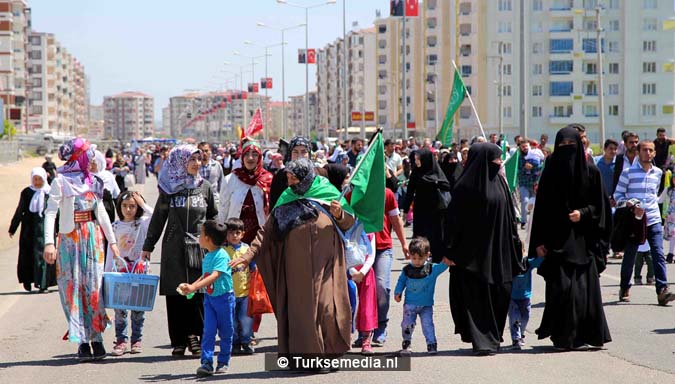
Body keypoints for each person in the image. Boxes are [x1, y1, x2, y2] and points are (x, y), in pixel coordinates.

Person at [229, 158, 354, 364]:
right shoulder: (286, 197)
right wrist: (248, 255)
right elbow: (266, 232)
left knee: (326, 307)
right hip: (296, 269)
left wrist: (339, 213)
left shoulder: (326, 190)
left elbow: (349, 222)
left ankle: (329, 353)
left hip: (327, 265)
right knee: (302, 312)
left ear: (305, 176)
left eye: (293, 177)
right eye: (287, 176)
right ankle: (308, 358)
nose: (289, 181)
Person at [529, 126, 612, 350]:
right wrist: (538, 242)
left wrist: (582, 214)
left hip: (584, 243)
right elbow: (541, 211)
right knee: (561, 291)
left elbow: (600, 208)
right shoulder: (550, 173)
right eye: (562, 146)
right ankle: (563, 337)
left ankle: (586, 335)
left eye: (571, 146)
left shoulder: (591, 173)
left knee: (585, 294)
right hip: (556, 243)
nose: (567, 150)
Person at [43, 138, 120, 361]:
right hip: (69, 239)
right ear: (78, 157)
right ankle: (83, 342)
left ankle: (97, 338)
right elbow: (50, 213)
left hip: (93, 239)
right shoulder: (61, 182)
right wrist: (49, 243)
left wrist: (112, 242)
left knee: (94, 288)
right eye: (88, 153)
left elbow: (102, 214)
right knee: (72, 289)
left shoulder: (93, 181)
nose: (92, 157)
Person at [445, 143, 525, 355]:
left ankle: (494, 336)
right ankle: (482, 341)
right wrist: (450, 251)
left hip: (499, 251)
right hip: (471, 256)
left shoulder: (499, 181)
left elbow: (509, 214)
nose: (499, 163)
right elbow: (453, 222)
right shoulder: (463, 188)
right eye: (496, 159)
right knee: (476, 296)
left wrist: (515, 241)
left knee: (501, 292)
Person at [142, 145, 218, 357]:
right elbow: (158, 219)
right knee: (175, 295)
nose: (196, 163)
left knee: (197, 292)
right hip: (174, 248)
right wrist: (148, 246)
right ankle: (178, 341)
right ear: (179, 162)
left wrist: (217, 245)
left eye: (198, 159)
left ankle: (195, 336)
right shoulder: (169, 189)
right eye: (191, 159)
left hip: (199, 248)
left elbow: (212, 217)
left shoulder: (205, 187)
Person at [614, 140, 675, 305]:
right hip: (635, 221)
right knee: (630, 256)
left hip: (653, 220)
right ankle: (625, 286)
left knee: (658, 253)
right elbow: (618, 196)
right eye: (644, 150)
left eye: (651, 150)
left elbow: (654, 195)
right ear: (638, 152)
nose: (648, 153)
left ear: (654, 153)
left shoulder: (658, 173)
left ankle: (662, 290)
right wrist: (632, 204)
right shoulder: (628, 172)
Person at [179, 221, 234, 377]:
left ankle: (223, 362)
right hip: (210, 299)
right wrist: (191, 286)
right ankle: (207, 363)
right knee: (208, 331)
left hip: (224, 299)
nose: (199, 237)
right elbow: (205, 276)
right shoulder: (208, 255)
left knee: (226, 332)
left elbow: (216, 275)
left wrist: (194, 288)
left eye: (201, 234)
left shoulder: (222, 255)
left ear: (208, 238)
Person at [105, 191, 154, 356]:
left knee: (138, 308)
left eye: (133, 206)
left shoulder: (143, 223)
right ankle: (120, 340)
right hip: (120, 272)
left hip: (139, 271)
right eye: (125, 206)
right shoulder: (115, 226)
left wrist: (142, 204)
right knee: (120, 310)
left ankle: (136, 340)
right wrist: (107, 273)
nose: (128, 209)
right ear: (119, 206)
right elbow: (110, 251)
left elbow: (156, 216)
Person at [394, 237, 449, 355]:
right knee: (407, 325)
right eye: (414, 258)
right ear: (409, 255)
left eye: (420, 258)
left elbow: (443, 265)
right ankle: (407, 341)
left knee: (428, 325)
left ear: (427, 255)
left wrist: (448, 260)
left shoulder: (431, 269)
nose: (417, 261)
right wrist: (397, 292)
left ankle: (431, 344)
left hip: (426, 305)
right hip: (410, 305)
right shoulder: (407, 270)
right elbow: (401, 281)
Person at [9, 167, 56, 292]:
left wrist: (58, 229)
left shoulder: (50, 192)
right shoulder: (26, 192)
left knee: (43, 256)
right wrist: (13, 228)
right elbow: (20, 210)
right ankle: (27, 280)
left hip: (45, 228)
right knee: (27, 255)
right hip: (28, 229)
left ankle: (43, 283)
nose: (37, 182)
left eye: (39, 179)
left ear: (44, 179)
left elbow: (56, 212)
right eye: (34, 179)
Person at [401, 148, 450, 263]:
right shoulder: (416, 173)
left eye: (419, 159)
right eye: (416, 159)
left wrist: (434, 182)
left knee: (436, 236)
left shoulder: (436, 171)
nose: (416, 161)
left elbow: (447, 186)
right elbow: (409, 192)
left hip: (436, 211)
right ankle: (420, 259)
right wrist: (405, 210)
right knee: (420, 236)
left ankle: (436, 258)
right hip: (421, 210)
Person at [224, 218, 256, 355]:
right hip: (229, 292)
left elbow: (253, 268)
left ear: (243, 234)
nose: (234, 236)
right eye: (231, 233)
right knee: (232, 320)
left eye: (237, 233)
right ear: (226, 234)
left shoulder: (246, 249)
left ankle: (246, 340)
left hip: (245, 291)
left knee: (246, 319)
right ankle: (235, 342)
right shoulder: (223, 251)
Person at [507, 256, 543, 350]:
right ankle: (516, 339)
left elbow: (538, 262)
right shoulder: (508, 262)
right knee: (514, 319)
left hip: (525, 297)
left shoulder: (527, 262)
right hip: (512, 297)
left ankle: (521, 334)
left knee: (525, 317)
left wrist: (542, 254)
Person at [269, 136, 312, 208]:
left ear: (309, 154)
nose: (299, 156)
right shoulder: (281, 175)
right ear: (290, 154)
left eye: (304, 152)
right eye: (295, 152)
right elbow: (274, 203)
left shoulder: (317, 175)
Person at [517, 140, 543, 230]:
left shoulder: (536, 155)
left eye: (526, 146)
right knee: (525, 201)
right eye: (523, 147)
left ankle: (534, 223)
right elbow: (518, 172)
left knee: (534, 204)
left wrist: (533, 167)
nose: (525, 148)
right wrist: (525, 168)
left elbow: (541, 166)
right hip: (524, 183)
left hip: (535, 184)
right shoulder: (520, 158)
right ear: (520, 148)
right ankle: (523, 221)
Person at [91, 149, 121, 225]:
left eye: (94, 162)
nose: (91, 165)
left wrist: (122, 218)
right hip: (90, 216)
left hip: (107, 212)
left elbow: (116, 196)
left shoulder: (108, 175)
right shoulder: (83, 177)